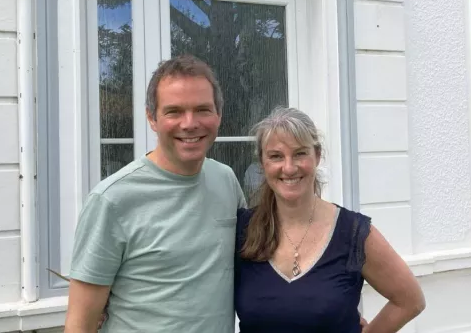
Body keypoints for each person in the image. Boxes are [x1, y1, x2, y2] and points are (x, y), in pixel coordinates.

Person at [64, 54, 246, 332]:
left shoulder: (226, 181)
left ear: (218, 115)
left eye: (202, 109)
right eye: (174, 111)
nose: (190, 123)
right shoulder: (112, 199)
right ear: (152, 117)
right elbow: (80, 324)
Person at [235, 107, 426, 332]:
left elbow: (410, 300)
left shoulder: (352, 232)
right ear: (262, 162)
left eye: (300, 153)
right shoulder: (243, 230)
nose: (289, 167)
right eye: (276, 156)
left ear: (317, 156)